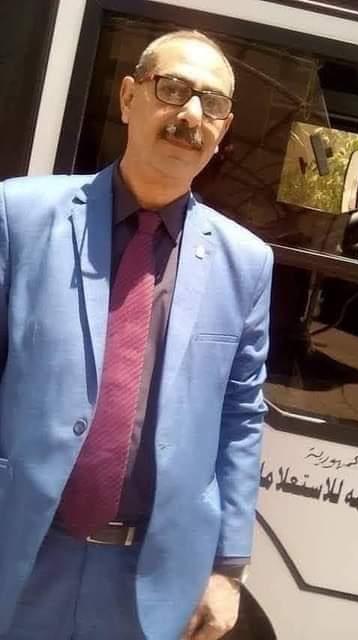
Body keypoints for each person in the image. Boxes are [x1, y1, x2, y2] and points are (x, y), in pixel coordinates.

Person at [0, 30, 273, 640]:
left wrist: (228, 568)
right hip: (19, 553)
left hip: (148, 582)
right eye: (172, 89)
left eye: (212, 103)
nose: (191, 114)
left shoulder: (247, 263)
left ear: (224, 129)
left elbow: (241, 416)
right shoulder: (19, 215)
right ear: (129, 97)